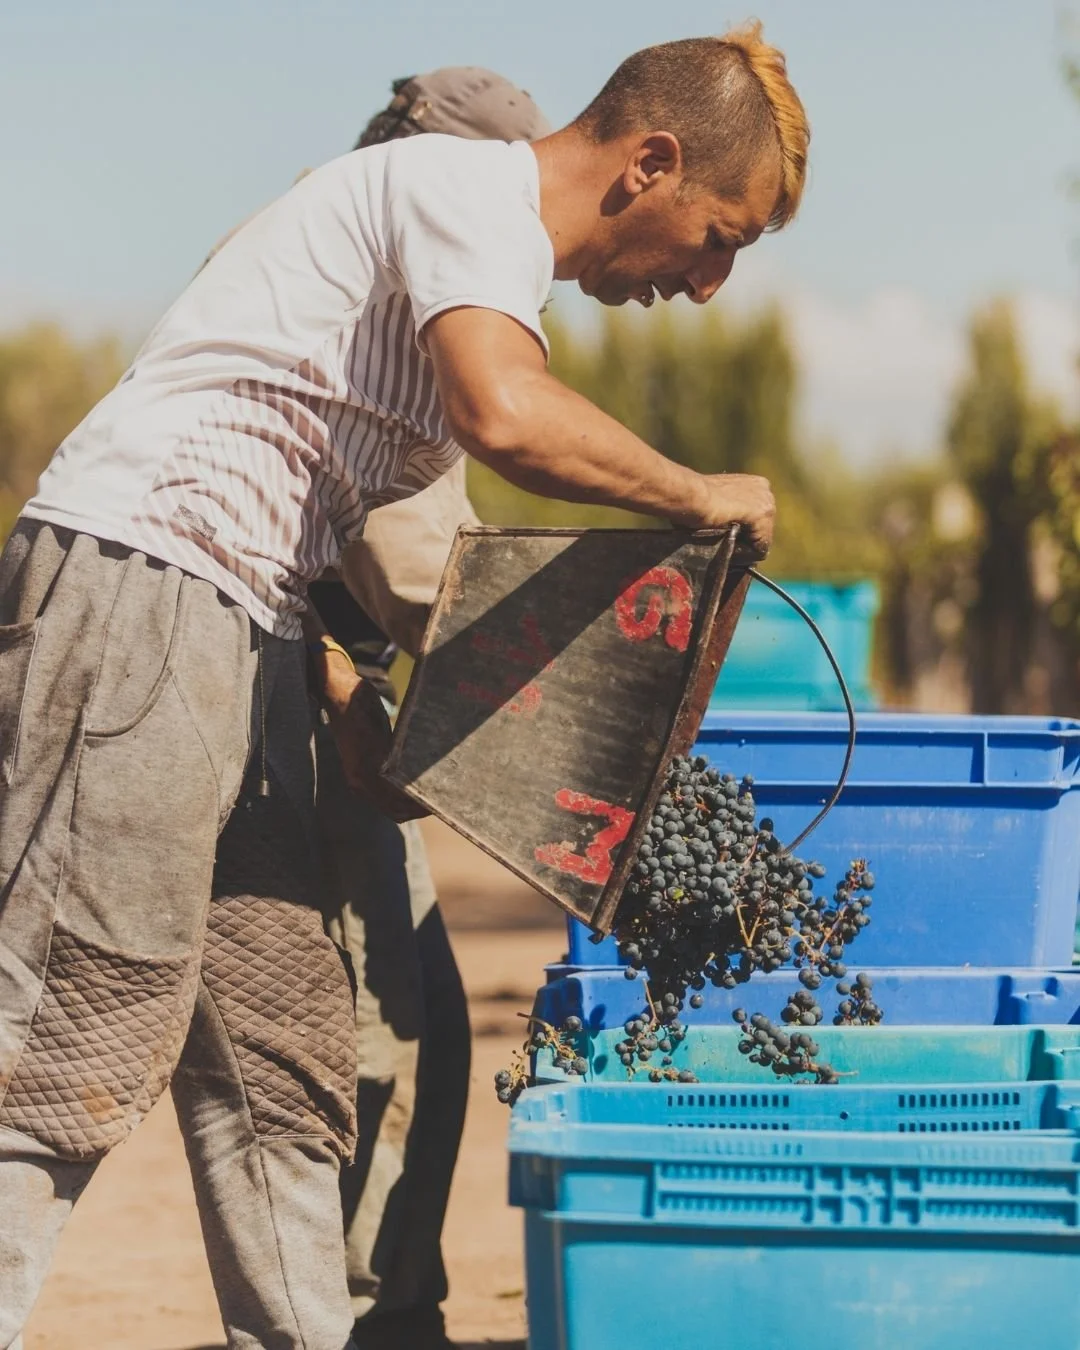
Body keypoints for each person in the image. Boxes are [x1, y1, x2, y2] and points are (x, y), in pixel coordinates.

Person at [0, 23, 808, 1350]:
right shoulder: (467, 194)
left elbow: (349, 521)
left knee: (281, 1046)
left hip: (242, 618)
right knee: (69, 1034)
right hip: (144, 584)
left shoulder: (473, 253)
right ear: (652, 164)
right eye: (720, 234)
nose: (711, 282)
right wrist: (696, 495)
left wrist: (336, 682)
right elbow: (508, 415)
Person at [200, 69, 551, 1350]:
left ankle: (386, 1308)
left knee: (422, 1025)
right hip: (279, 707)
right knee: (370, 1033)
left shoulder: (371, 263)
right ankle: (359, 1320)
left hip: (324, 686)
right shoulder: (383, 293)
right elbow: (423, 583)